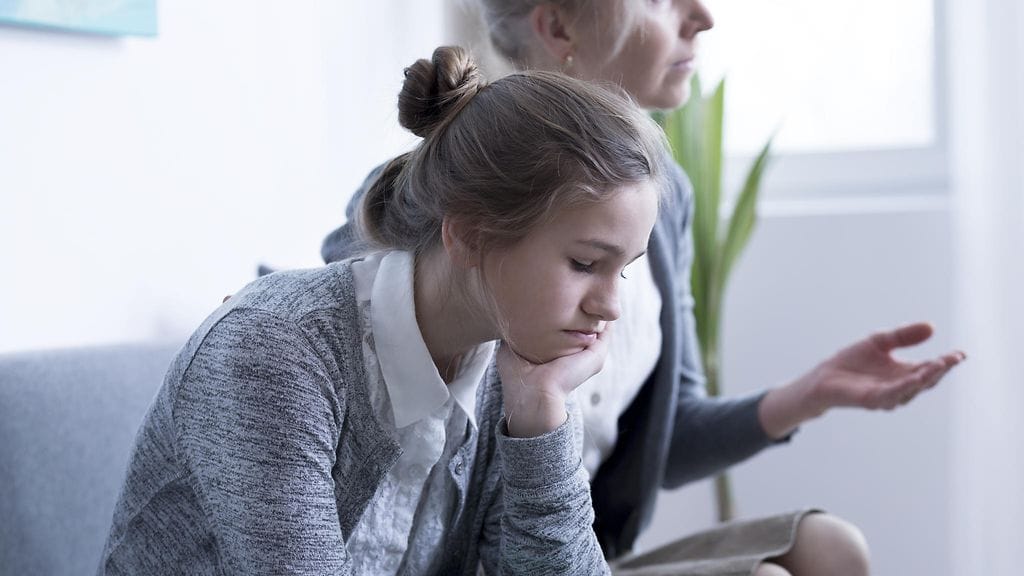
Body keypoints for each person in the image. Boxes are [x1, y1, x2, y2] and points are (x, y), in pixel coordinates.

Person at [319, 1, 967, 573]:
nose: (704, 15)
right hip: (492, 550)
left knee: (833, 547)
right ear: (557, 24)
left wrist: (808, 394)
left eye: (618, 268)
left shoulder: (665, 200)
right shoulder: (446, 194)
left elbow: (656, 442)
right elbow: (363, 375)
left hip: (581, 544)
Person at [98, 46, 672, 575]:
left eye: (622, 269)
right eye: (584, 263)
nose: (611, 306)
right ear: (469, 235)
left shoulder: (517, 370)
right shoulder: (273, 352)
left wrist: (543, 419)